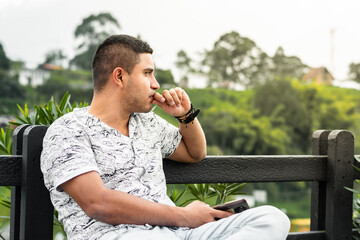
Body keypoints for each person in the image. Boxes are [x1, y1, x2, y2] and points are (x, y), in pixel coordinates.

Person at [41, 34, 290, 240]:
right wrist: (184, 216)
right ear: (119, 76)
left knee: (271, 218)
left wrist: (185, 116)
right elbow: (98, 204)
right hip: (117, 235)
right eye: (148, 73)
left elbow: (195, 153)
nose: (156, 84)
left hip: (178, 232)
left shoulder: (147, 123)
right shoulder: (69, 130)